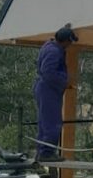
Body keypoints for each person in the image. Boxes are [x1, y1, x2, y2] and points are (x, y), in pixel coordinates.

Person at [33, 24, 78, 161]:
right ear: (65, 41)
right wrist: (65, 82)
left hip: (44, 88)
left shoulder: (49, 45)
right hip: (49, 90)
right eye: (70, 42)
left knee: (44, 122)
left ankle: (41, 151)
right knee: (53, 123)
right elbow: (49, 72)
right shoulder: (54, 51)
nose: (70, 45)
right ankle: (46, 153)